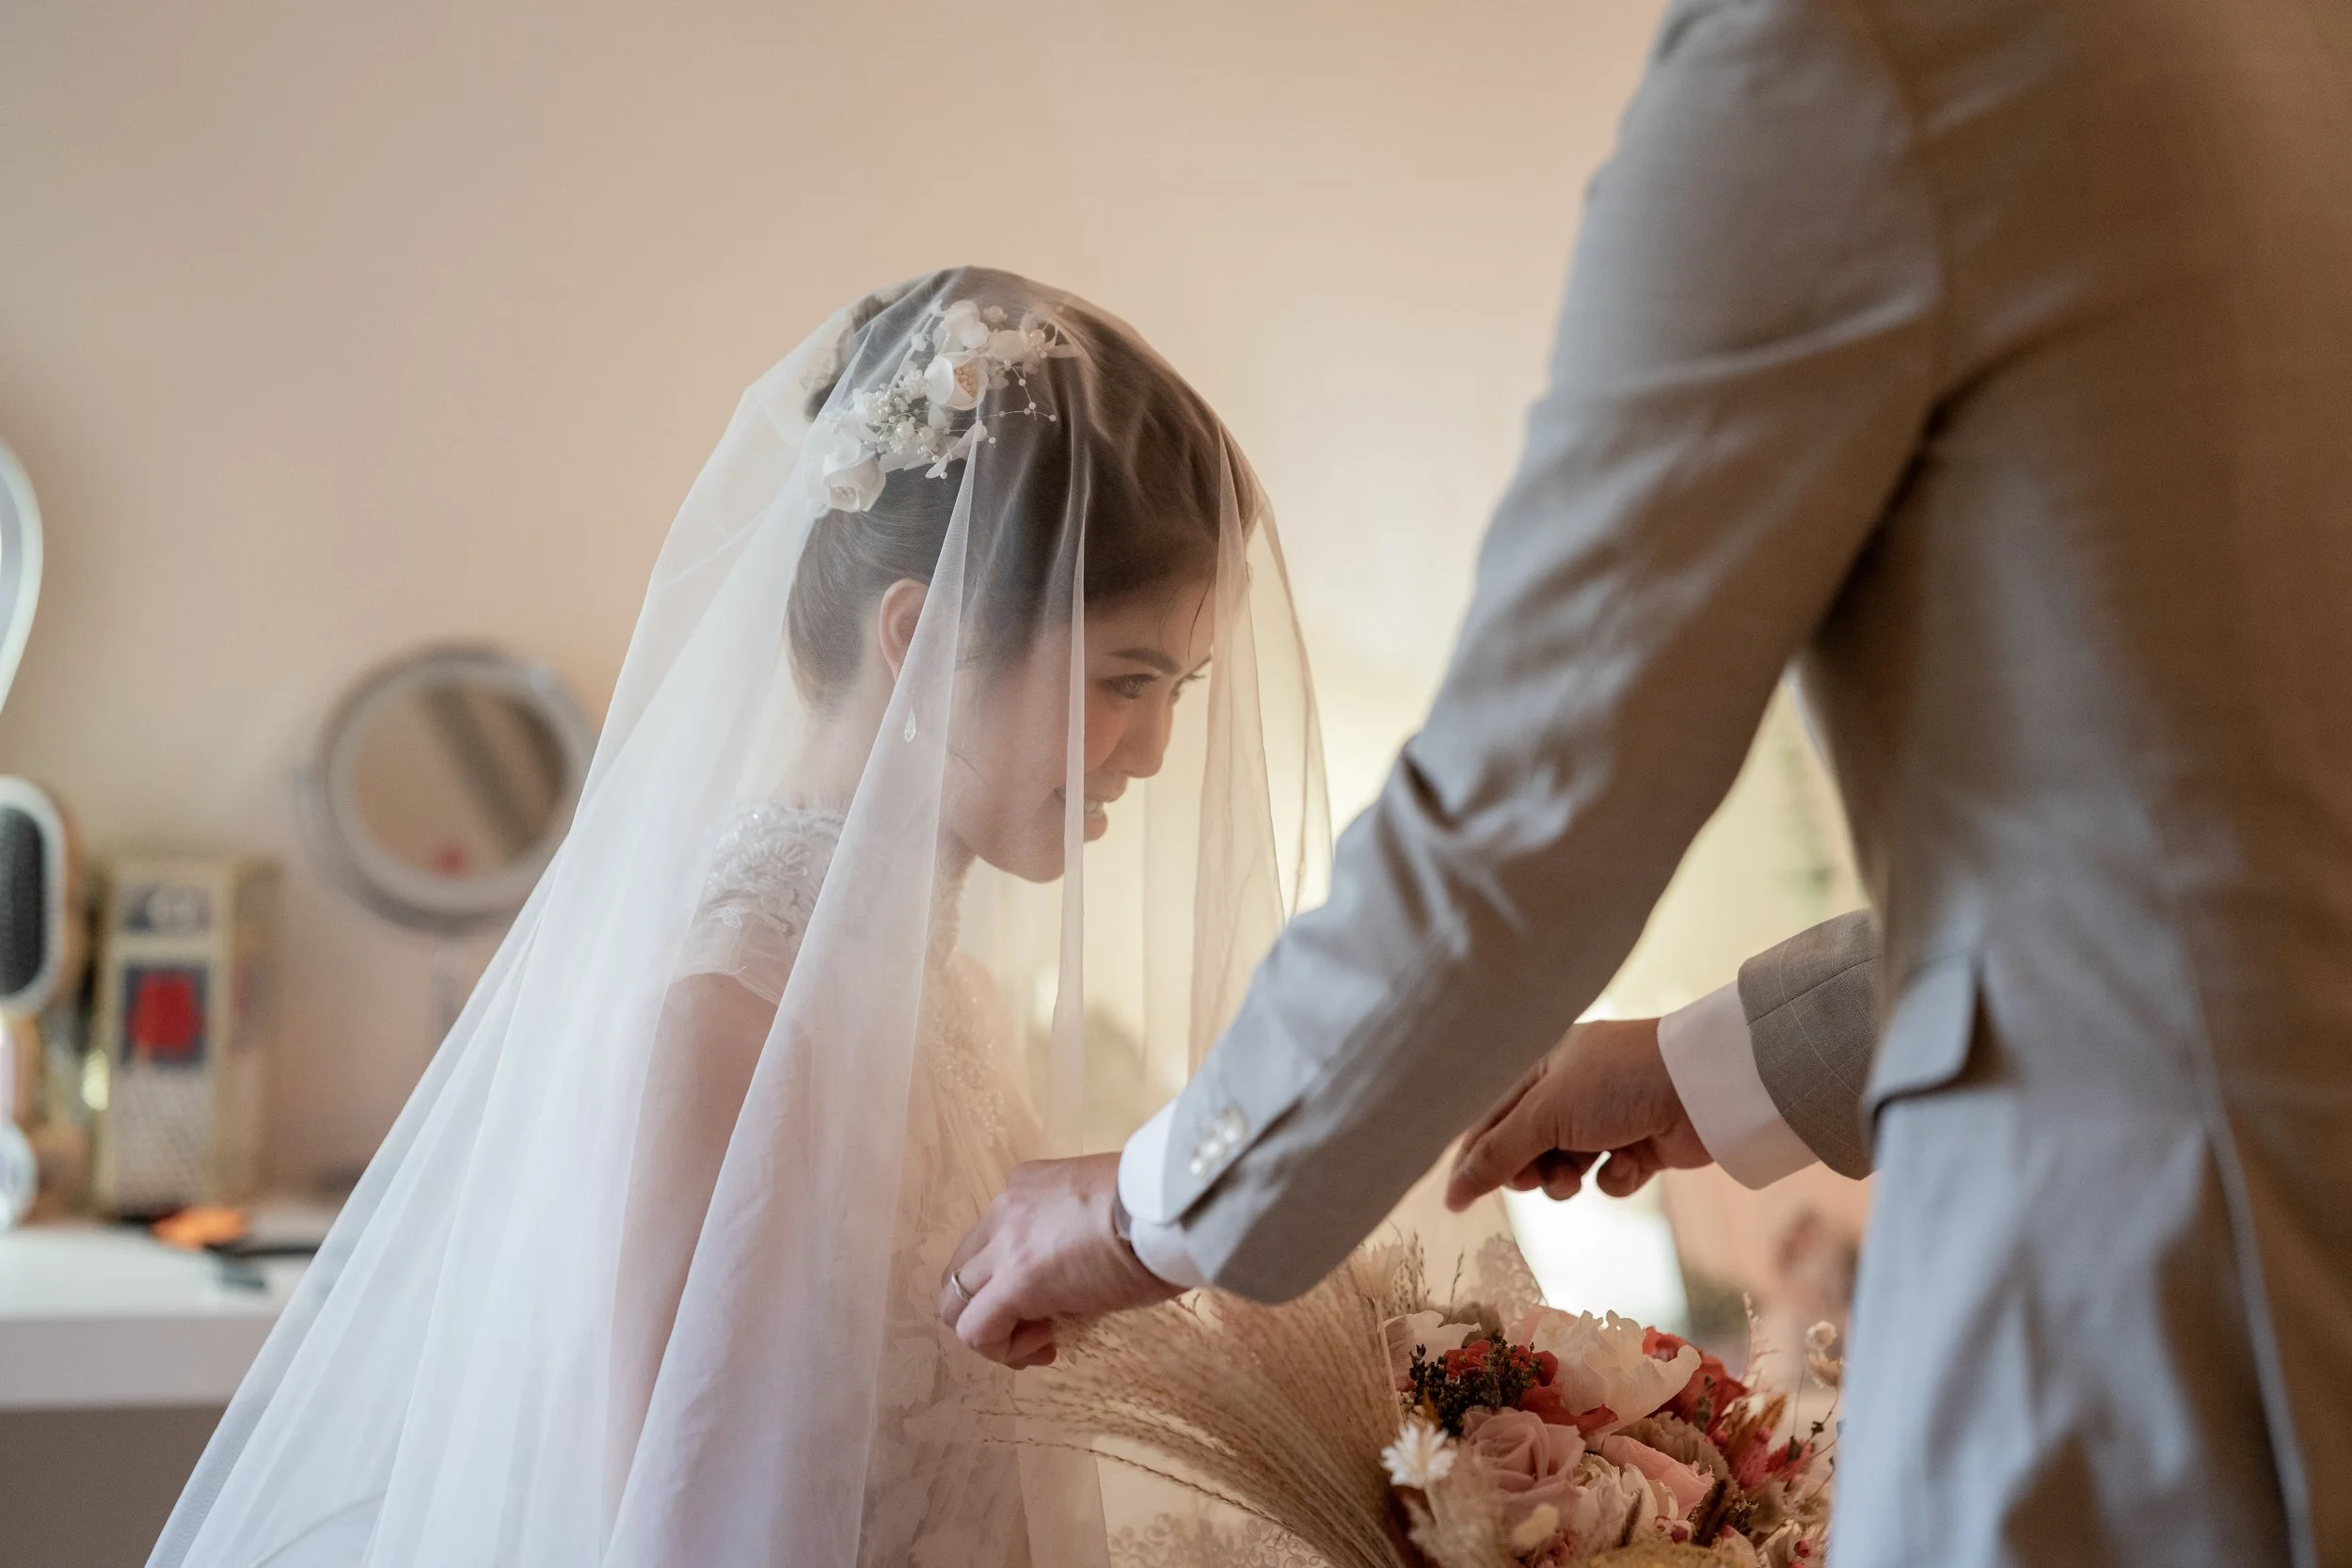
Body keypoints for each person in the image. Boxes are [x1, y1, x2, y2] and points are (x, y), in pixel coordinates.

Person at [943, 1, 2352, 1562]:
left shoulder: (1845, 49)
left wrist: (1147, 1203)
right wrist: (1705, 1064)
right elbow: (2187, 851)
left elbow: (1527, 798)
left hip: (2172, 1306)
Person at [148, 267, 1327, 1568]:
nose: (1154, 750)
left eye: (1180, 689)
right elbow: (677, 1528)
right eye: (1126, 680)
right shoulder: (734, 1020)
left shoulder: (957, 1006)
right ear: (918, 636)